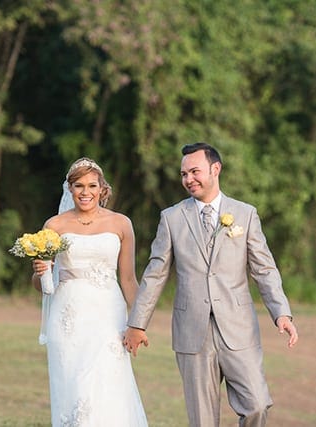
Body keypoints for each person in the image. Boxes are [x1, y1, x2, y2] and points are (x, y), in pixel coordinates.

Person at [123, 142, 298, 427]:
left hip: (239, 328)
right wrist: (137, 323)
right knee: (203, 421)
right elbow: (155, 274)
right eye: (183, 174)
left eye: (194, 171)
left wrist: (282, 314)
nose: (188, 179)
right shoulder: (171, 218)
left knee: (256, 405)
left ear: (215, 169)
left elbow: (264, 269)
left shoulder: (245, 214)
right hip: (192, 331)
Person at [32, 157, 147, 427]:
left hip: (108, 314)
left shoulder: (121, 224)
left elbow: (129, 280)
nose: (85, 192)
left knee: (106, 384)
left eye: (92, 185)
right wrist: (41, 271)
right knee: (74, 387)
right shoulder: (54, 226)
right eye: (78, 185)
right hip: (68, 317)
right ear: (69, 189)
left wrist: (139, 323)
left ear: (102, 189)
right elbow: (42, 286)